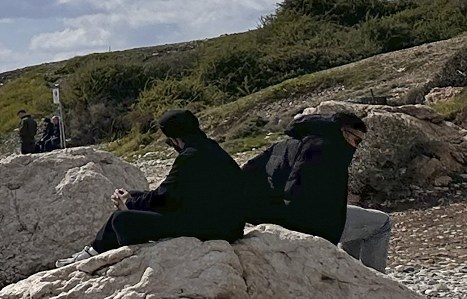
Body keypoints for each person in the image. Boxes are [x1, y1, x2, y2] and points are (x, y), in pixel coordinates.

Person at [243, 111, 391, 270]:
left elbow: (249, 173)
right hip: (304, 226)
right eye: (357, 140)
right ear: (344, 132)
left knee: (356, 216)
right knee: (382, 224)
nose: (356, 147)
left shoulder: (287, 144)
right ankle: (370, 277)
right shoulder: (328, 151)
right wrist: (325, 245)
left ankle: (350, 268)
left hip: (272, 218)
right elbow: (305, 199)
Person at [87, 109, 249, 252]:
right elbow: (173, 193)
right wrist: (132, 199)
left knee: (121, 219)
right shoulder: (210, 147)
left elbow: (165, 198)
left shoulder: (190, 157)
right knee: (134, 196)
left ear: (175, 140)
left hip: (213, 228)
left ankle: (97, 251)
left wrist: (128, 203)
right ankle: (94, 249)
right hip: (225, 223)